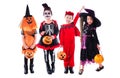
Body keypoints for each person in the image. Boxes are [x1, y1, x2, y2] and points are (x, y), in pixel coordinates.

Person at [79, 8, 104, 75]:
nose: (89, 21)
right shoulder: (85, 25)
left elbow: (95, 36)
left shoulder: (93, 28)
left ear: (93, 20)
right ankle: (81, 68)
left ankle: (101, 66)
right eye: (88, 19)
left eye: (91, 19)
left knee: (95, 54)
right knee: (83, 54)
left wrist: (97, 44)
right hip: (84, 43)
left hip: (91, 43)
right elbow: (83, 32)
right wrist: (81, 37)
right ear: (86, 19)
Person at [59, 7, 84, 74]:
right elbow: (61, 36)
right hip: (65, 43)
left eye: (70, 18)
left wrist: (80, 10)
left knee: (72, 54)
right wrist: (61, 43)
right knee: (65, 55)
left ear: (72, 19)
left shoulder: (72, 25)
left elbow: (76, 18)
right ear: (65, 17)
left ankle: (71, 67)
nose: (68, 19)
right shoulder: (63, 27)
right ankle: (66, 67)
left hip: (72, 43)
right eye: (67, 17)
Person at [37, 3, 59, 74]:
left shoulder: (54, 22)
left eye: (48, 13)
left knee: (52, 53)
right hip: (44, 41)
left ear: (51, 14)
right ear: (43, 15)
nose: (47, 15)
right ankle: (47, 66)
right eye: (45, 13)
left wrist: (54, 36)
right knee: (46, 53)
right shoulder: (42, 23)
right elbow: (40, 31)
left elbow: (57, 30)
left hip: (52, 40)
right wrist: (41, 33)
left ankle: (53, 65)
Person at [20, 5, 37, 74]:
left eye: (30, 19)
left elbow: (35, 37)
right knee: (26, 55)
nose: (29, 20)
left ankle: (31, 67)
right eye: (27, 19)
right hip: (26, 44)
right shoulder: (23, 29)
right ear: (24, 20)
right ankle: (26, 68)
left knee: (32, 55)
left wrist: (34, 44)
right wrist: (24, 44)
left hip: (32, 44)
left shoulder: (34, 28)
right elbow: (22, 37)